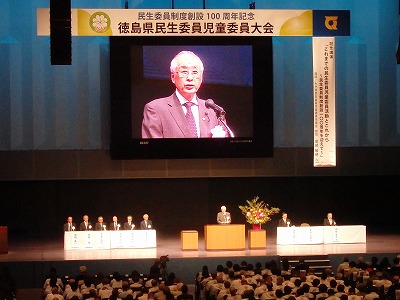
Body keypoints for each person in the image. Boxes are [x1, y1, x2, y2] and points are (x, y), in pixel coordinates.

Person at [141, 50, 229, 138]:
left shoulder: (213, 111)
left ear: (201, 77)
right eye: (184, 72)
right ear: (173, 77)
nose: (190, 78)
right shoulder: (155, 109)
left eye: (195, 72)